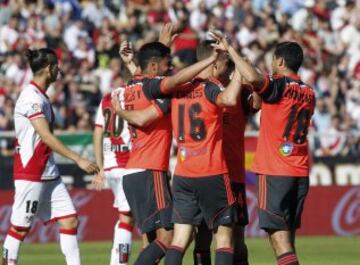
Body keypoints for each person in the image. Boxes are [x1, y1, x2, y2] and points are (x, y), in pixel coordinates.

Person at [113, 40, 221, 265]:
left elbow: (144, 79)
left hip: (132, 171)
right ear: (153, 67)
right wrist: (208, 61)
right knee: (170, 237)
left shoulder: (132, 85)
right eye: (167, 65)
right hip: (150, 170)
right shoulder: (156, 87)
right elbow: (170, 85)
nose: (171, 70)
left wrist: (132, 63)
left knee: (153, 239)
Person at [212, 32, 315, 265]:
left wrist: (231, 51)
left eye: (273, 59)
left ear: (280, 61)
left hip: (276, 171)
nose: (271, 64)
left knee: (279, 242)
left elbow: (256, 79)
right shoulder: (309, 92)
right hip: (299, 171)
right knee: (288, 239)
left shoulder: (279, 85)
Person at [2, 48, 99, 265]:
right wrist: (79, 158)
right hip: (32, 172)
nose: (59, 69)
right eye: (56, 65)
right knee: (20, 227)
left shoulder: (41, 96)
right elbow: (45, 135)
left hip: (49, 173)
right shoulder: (30, 97)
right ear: (48, 68)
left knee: (70, 221)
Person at [192, 60, 261, 265]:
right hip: (204, 173)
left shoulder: (240, 90)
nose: (227, 68)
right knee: (202, 236)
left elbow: (256, 103)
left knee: (236, 239)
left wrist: (250, 73)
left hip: (232, 174)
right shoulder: (196, 89)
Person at [92, 86, 133, 265]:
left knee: (126, 217)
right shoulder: (135, 94)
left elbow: (97, 133)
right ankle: (120, 263)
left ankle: (116, 260)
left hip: (110, 165)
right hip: (126, 163)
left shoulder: (107, 97)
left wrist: (100, 168)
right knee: (127, 218)